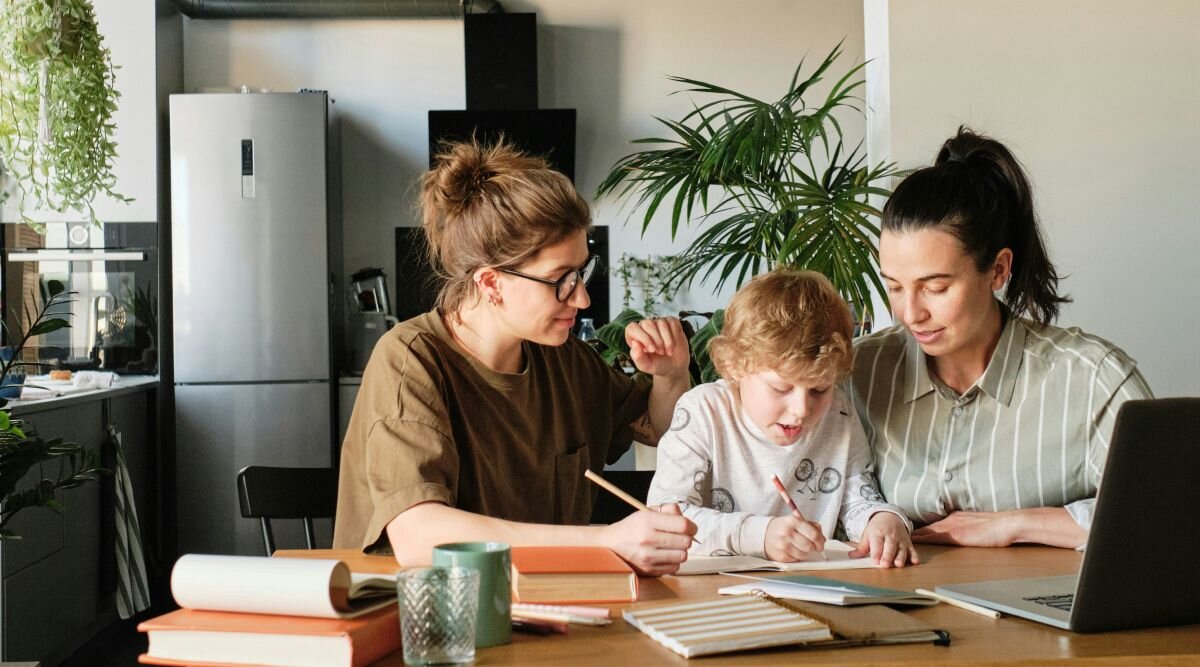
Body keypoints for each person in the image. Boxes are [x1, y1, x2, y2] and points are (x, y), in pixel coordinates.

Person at [333, 140, 696, 574]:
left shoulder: (565, 360)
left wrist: (671, 376)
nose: (580, 298)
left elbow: (658, 429)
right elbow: (417, 536)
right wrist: (605, 540)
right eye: (560, 279)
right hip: (418, 622)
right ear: (491, 284)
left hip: (541, 607)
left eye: (583, 273)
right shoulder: (411, 361)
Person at [848, 127, 1154, 550]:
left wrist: (1018, 524)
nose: (911, 313)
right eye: (896, 287)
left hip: (1042, 612)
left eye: (935, 287)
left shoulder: (1091, 379)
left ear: (997, 270)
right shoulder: (858, 371)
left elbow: (1171, 514)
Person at [647, 270, 918, 568]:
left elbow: (859, 496)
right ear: (734, 366)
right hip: (709, 590)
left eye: (819, 389)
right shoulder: (703, 411)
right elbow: (667, 517)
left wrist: (882, 520)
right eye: (780, 388)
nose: (801, 409)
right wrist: (761, 535)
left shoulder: (838, 413)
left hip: (808, 588)